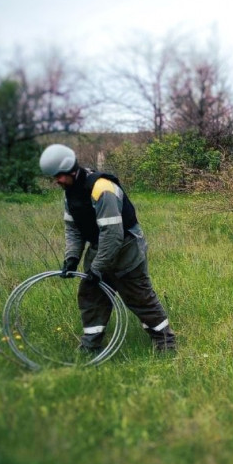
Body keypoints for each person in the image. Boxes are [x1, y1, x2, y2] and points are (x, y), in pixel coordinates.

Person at [39, 144, 177, 351]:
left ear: (70, 169)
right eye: (54, 177)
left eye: (59, 176)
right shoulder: (70, 193)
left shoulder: (102, 189)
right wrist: (72, 259)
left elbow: (113, 235)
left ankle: (166, 343)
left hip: (126, 248)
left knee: (139, 297)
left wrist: (97, 267)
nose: (56, 181)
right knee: (91, 296)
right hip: (100, 248)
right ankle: (91, 346)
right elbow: (74, 230)